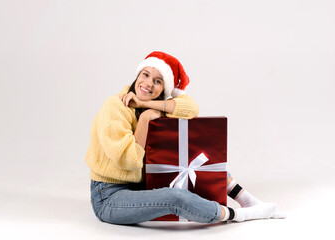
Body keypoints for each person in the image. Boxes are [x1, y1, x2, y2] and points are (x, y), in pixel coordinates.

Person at [85, 51, 285, 224]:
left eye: (158, 81)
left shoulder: (148, 104)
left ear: (165, 90)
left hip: (140, 183)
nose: (147, 84)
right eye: (145, 75)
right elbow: (129, 160)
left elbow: (191, 108)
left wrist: (147, 105)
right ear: (137, 75)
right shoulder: (115, 106)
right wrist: (146, 118)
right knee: (176, 198)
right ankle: (241, 214)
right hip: (109, 196)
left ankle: (247, 199)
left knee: (197, 161)